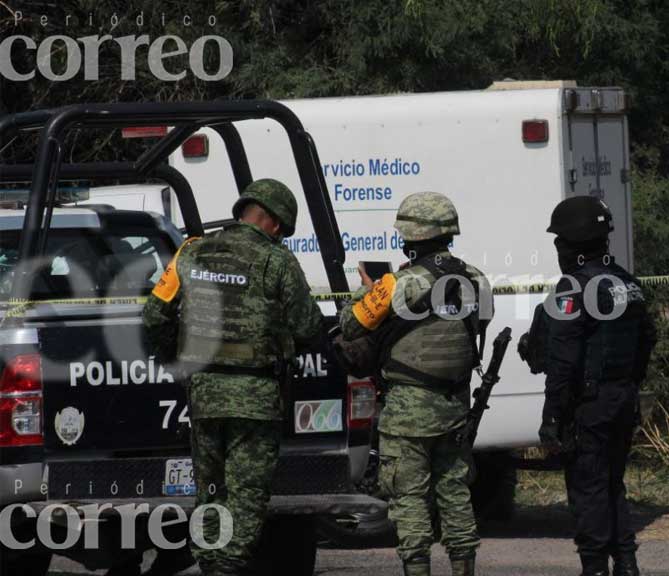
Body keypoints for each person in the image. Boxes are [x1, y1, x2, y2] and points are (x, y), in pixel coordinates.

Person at [143, 179, 323, 575]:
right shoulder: (276, 260)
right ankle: (225, 568)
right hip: (256, 399)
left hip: (205, 395)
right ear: (273, 222)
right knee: (245, 496)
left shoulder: (191, 251)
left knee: (210, 491)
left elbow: (155, 315)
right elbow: (308, 325)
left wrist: (179, 357)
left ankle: (210, 565)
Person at [336, 191, 490, 576]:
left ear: (409, 237)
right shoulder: (477, 280)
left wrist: (368, 290)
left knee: (409, 499)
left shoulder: (396, 285)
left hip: (407, 413)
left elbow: (350, 324)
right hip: (455, 405)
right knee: (455, 494)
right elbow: (477, 325)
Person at [524, 196, 657, 576]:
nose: (557, 249)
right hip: (622, 399)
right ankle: (626, 562)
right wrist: (629, 386)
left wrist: (551, 416)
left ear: (573, 243)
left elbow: (563, 362)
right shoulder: (626, 282)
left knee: (588, 488)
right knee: (613, 483)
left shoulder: (573, 288)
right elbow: (647, 338)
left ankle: (595, 567)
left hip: (589, 403)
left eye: (559, 241)